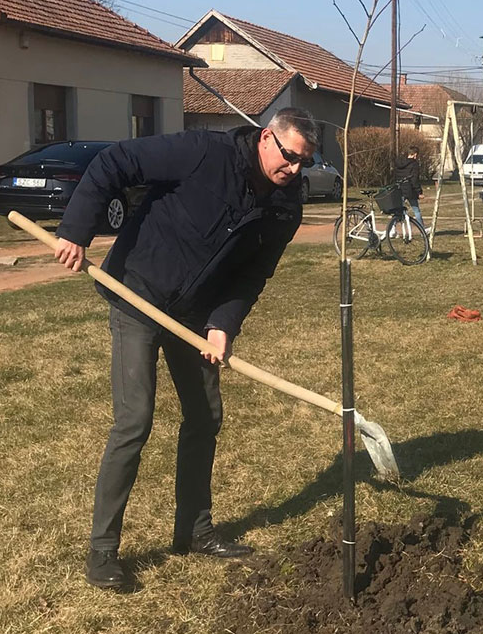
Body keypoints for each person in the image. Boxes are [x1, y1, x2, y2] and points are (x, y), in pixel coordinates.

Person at [54, 109, 314, 590]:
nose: (295, 171)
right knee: (135, 419)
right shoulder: (203, 153)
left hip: (195, 316)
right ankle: (103, 552)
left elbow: (252, 273)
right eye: (290, 157)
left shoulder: (286, 205)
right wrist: (76, 228)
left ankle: (194, 530)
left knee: (204, 415)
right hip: (139, 293)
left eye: (305, 163)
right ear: (265, 138)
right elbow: (116, 160)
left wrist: (223, 323)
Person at [394, 144, 424, 227]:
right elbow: (414, 180)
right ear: (415, 154)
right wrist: (419, 192)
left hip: (399, 188)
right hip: (410, 189)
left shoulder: (399, 163)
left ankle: (392, 229)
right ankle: (422, 229)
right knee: (416, 209)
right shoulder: (414, 164)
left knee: (399, 210)